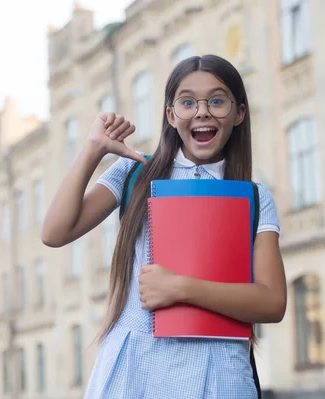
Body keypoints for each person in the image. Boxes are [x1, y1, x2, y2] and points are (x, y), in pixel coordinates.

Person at [41, 54, 287, 398]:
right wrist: (93, 149)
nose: (202, 111)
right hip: (135, 369)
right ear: (171, 115)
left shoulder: (255, 196)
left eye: (217, 100)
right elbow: (54, 232)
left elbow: (272, 302)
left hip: (219, 373)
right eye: (187, 102)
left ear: (239, 113)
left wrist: (181, 287)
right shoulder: (134, 173)